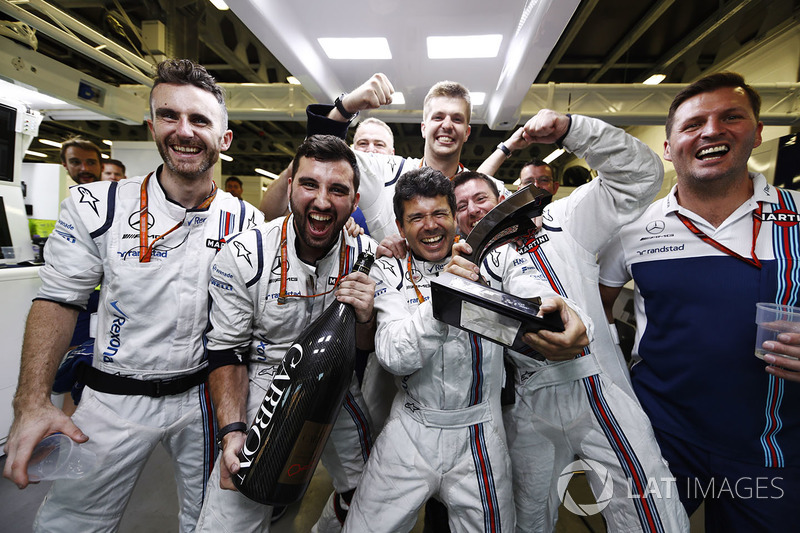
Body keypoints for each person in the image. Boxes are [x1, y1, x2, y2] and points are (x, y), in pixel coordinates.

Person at [2, 58, 264, 532]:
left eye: (200, 120)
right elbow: (59, 300)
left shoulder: (245, 221)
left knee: (214, 521)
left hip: (202, 396)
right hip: (112, 397)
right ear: (152, 126)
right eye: (170, 116)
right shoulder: (97, 205)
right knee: (70, 524)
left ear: (224, 139)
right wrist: (32, 400)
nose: (184, 131)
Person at [454, 109, 689, 533]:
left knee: (651, 512)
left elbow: (641, 176)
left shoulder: (565, 219)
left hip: (595, 386)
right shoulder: (464, 268)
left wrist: (572, 129)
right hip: (527, 405)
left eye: (481, 199)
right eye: (461, 206)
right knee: (528, 518)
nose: (472, 210)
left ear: (504, 198)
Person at [598, 72, 800, 531]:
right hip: (661, 436)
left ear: (757, 132)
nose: (711, 131)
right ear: (668, 147)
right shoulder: (632, 228)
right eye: (692, 125)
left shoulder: (797, 214)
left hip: (772, 445)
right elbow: (597, 306)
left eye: (731, 117)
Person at [343, 167, 591, 532]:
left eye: (440, 214)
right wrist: (447, 293)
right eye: (416, 217)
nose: (430, 226)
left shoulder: (492, 259)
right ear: (400, 227)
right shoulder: (388, 270)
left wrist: (562, 311)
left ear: (455, 217)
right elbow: (395, 355)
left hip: (480, 433)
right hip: (410, 429)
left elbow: (531, 289)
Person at [196, 135, 377, 533]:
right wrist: (232, 433)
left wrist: (366, 318)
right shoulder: (245, 254)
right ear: (290, 185)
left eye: (338, 190)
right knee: (232, 514)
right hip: (263, 382)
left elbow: (366, 347)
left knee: (370, 491)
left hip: (336, 385)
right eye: (310, 184)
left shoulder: (368, 258)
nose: (323, 201)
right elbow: (226, 352)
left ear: (355, 200)